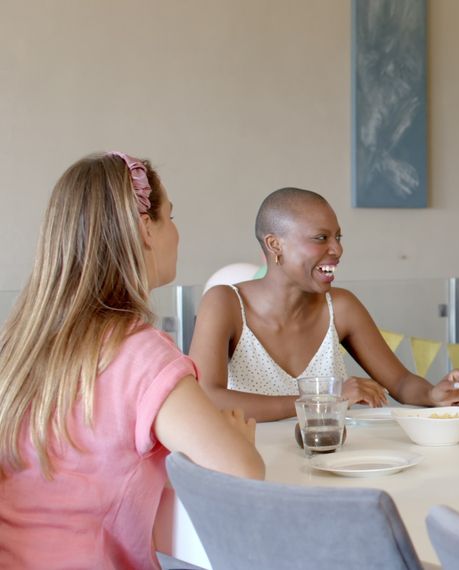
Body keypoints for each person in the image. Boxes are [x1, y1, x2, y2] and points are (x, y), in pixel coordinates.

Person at [0, 153, 264, 568]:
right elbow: (243, 473)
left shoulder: (16, 347)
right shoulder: (141, 354)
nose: (176, 233)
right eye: (170, 217)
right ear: (145, 228)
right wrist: (239, 441)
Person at [189, 187, 459, 422]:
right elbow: (206, 398)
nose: (337, 249)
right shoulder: (224, 303)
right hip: (255, 469)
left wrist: (433, 396)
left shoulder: (341, 307)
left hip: (334, 462)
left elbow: (401, 382)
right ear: (275, 245)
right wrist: (323, 399)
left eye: (338, 237)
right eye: (321, 238)